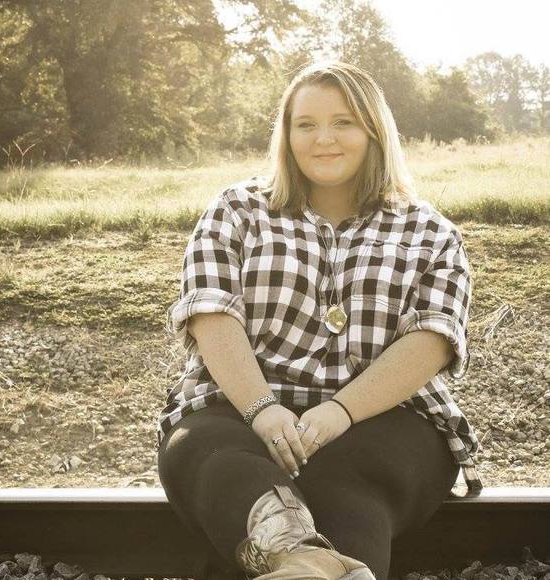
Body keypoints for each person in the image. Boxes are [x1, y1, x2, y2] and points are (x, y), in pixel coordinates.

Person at [156, 60, 484, 580]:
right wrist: (263, 409)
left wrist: (339, 413)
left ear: (374, 131)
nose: (323, 139)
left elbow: (432, 340)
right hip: (236, 409)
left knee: (347, 487)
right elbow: (211, 316)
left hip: (387, 419)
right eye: (305, 124)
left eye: (343, 123)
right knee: (219, 461)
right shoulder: (236, 210)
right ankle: (305, 563)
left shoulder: (431, 233)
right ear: (286, 135)